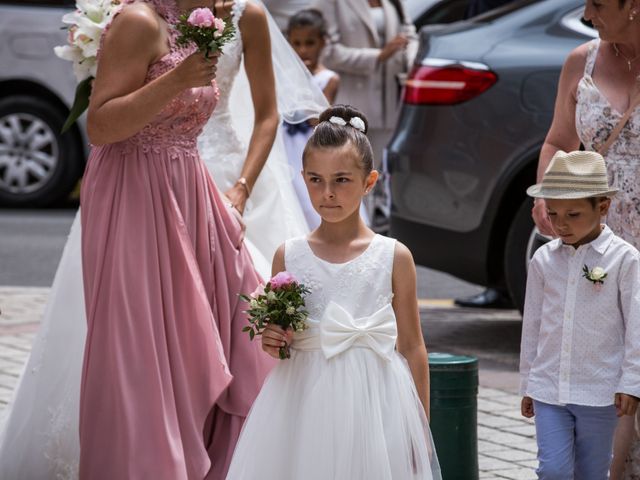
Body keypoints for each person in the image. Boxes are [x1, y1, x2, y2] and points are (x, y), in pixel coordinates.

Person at [0, 0, 327, 478]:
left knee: (223, 327)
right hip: (133, 190)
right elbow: (102, 126)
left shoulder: (209, 23)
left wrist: (232, 194)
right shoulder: (137, 22)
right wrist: (176, 79)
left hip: (190, 187)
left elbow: (251, 114)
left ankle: (223, 457)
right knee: (141, 343)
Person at [225, 105, 442, 480]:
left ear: (369, 181)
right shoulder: (289, 255)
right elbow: (281, 343)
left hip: (376, 405)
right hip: (304, 402)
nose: (327, 193)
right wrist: (273, 339)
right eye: (315, 180)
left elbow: (412, 346)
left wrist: (419, 427)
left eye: (341, 180)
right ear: (303, 178)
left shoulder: (393, 256)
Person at [530, 1, 640, 477]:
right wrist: (547, 196)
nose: (588, 14)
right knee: (600, 373)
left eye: (598, 3)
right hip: (595, 235)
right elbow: (557, 139)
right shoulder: (581, 61)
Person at [520, 150, 640, 479]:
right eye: (553, 213)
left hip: (599, 392)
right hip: (549, 389)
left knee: (591, 471)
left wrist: (631, 383)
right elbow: (532, 325)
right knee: (554, 471)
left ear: (602, 207)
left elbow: (636, 327)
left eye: (573, 214)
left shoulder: (625, 260)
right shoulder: (543, 260)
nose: (560, 224)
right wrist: (527, 384)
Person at [310, 0, 417, 232]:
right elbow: (328, 52)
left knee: (376, 172)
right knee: (350, 170)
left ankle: (373, 231)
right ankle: (351, 232)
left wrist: (409, 55)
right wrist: (378, 56)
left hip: (390, 99)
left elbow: (410, 34)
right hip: (352, 101)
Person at [282, 8, 340, 229]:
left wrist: (305, 80)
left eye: (309, 43)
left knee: (307, 192)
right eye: (296, 44)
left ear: (322, 42)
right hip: (284, 143)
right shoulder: (284, 76)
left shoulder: (329, 79)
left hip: (308, 144)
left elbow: (317, 119)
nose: (303, 49)